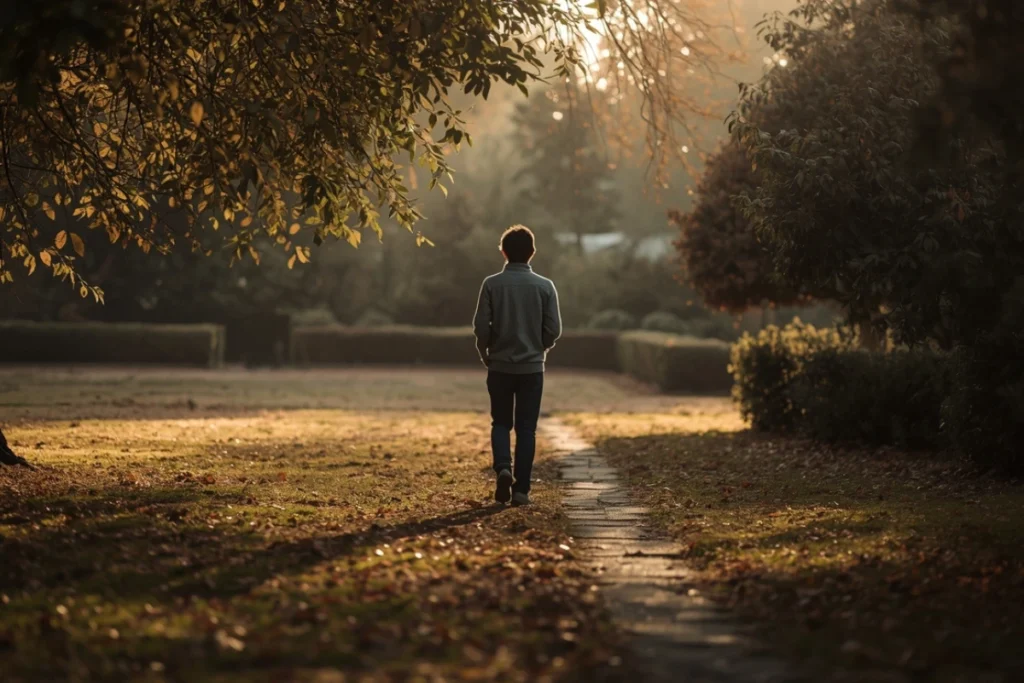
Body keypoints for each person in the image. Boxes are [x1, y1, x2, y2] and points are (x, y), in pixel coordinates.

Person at [473, 225, 562, 506]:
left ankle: (503, 468)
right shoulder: (545, 286)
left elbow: (480, 327)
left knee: (500, 422)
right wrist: (540, 347)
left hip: (499, 366)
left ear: (503, 251)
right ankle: (521, 490)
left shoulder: (491, 284)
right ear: (532, 253)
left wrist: (485, 351)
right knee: (526, 429)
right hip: (531, 369)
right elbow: (554, 329)